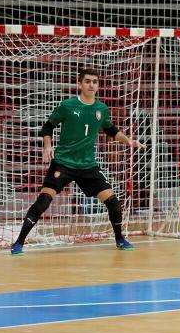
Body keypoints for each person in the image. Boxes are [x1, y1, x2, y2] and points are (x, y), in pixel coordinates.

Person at [10, 68, 146, 256]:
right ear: (79, 84)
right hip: (63, 163)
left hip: (88, 165)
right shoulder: (67, 105)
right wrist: (47, 146)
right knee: (43, 201)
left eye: (95, 82)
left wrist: (129, 140)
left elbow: (111, 130)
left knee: (113, 202)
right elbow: (47, 126)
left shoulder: (101, 109)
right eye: (88, 81)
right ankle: (18, 243)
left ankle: (120, 239)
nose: (91, 85)